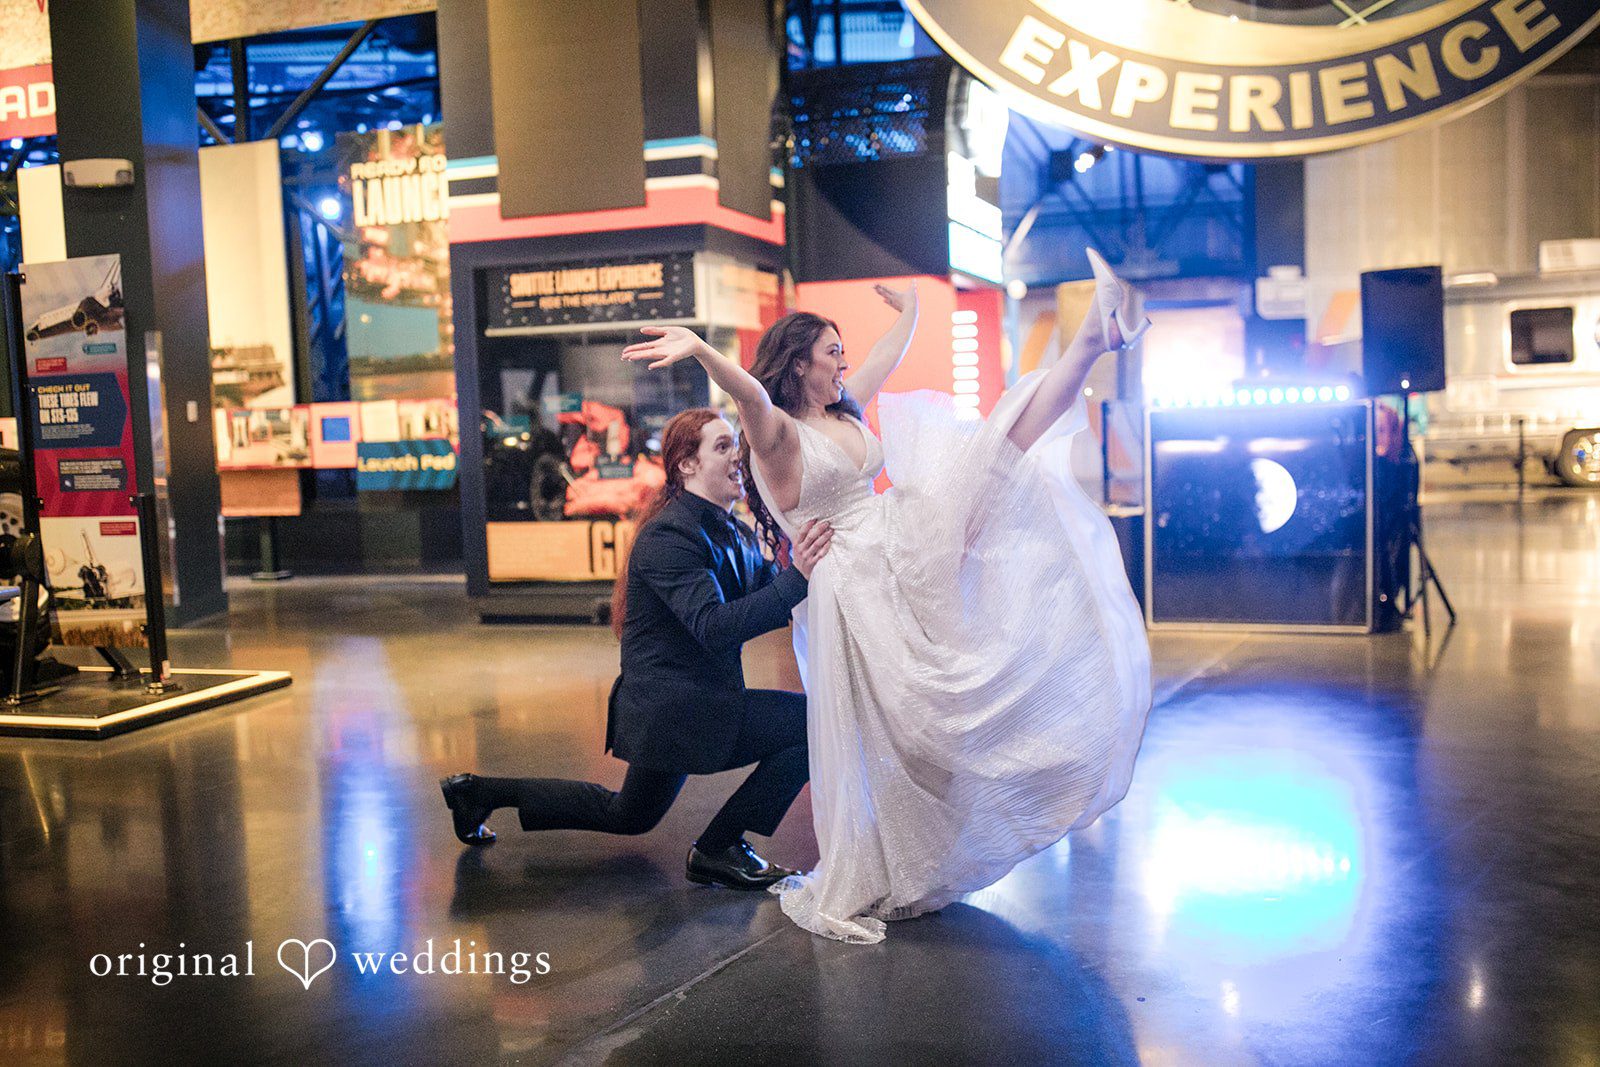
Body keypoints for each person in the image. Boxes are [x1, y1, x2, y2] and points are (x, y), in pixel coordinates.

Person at [621, 249, 1154, 942]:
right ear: (798, 363)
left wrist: (913, 311)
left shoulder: (843, 406)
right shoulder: (776, 433)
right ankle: (898, 852)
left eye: (844, 352)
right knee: (910, 714)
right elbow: (750, 394)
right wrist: (700, 351)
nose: (844, 364)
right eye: (831, 353)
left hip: (896, 537)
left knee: (997, 451)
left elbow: (885, 357)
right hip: (852, 579)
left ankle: (1093, 341)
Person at [440, 408, 834, 890]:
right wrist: (797, 578)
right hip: (676, 711)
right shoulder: (670, 536)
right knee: (812, 725)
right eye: (723, 446)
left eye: (737, 445)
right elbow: (713, 627)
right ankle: (719, 849)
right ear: (686, 465)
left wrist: (810, 569)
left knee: (628, 815)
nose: (739, 457)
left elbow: (768, 596)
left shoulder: (730, 528)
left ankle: (476, 793)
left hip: (688, 704)